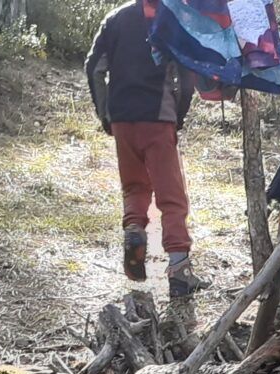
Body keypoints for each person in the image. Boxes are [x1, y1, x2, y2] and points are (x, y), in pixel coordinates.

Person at [86, 0, 203, 297]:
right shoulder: (172, 17)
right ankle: (179, 270)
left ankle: (135, 231)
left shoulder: (115, 19)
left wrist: (105, 113)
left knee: (135, 187)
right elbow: (186, 77)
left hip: (123, 119)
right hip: (158, 117)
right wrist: (178, 115)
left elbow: (94, 67)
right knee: (171, 196)